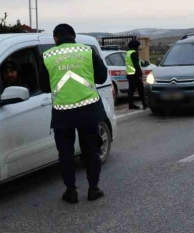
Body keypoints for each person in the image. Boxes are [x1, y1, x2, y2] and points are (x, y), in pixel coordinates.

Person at [39, 24, 108, 204]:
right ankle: (93, 189)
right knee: (91, 150)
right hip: (89, 108)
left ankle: (71, 192)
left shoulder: (47, 56)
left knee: (65, 153)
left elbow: (44, 87)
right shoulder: (87, 51)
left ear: (55, 38)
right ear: (74, 36)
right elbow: (101, 77)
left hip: (63, 112)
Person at [125, 39, 147, 110]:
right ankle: (144, 104)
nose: (138, 47)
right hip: (135, 74)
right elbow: (136, 64)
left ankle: (130, 105)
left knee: (131, 89)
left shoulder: (128, 53)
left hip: (129, 74)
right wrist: (140, 74)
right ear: (135, 46)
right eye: (138, 46)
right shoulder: (134, 53)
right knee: (140, 89)